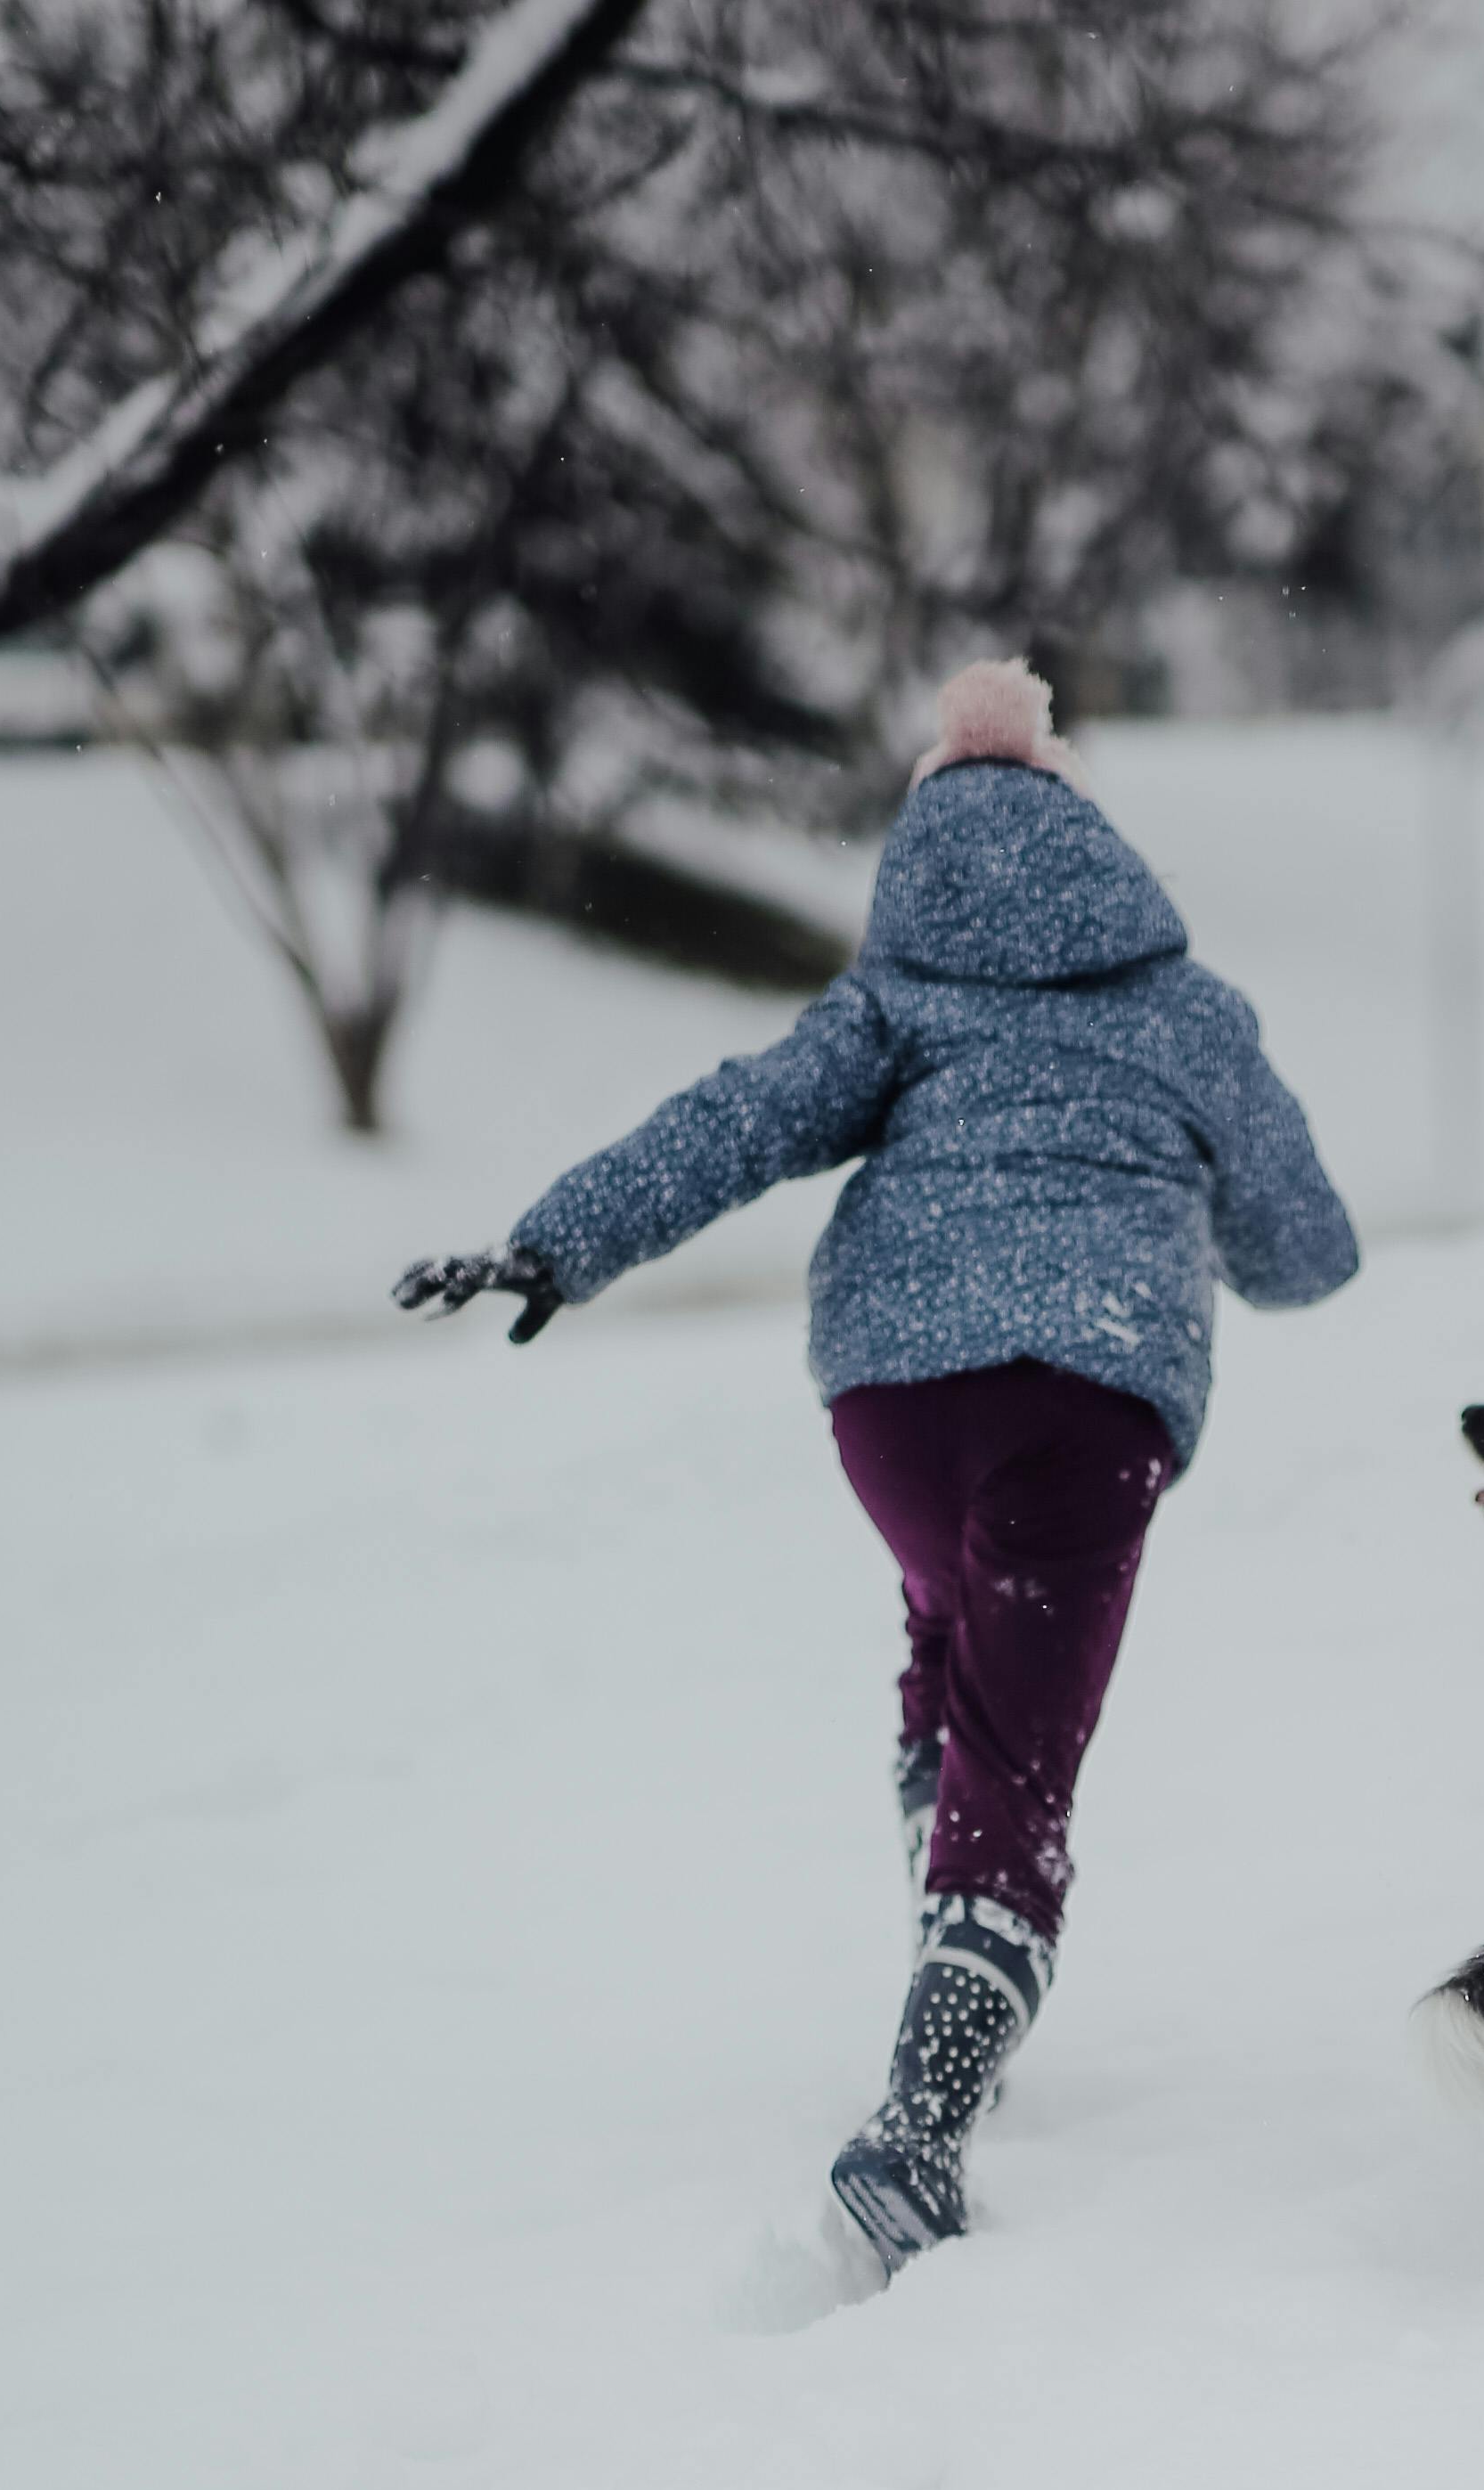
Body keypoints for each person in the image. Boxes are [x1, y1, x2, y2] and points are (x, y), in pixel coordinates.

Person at [395, 661, 1359, 2288]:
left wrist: (555, 1241)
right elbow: (1307, 1249)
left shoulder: (897, 998)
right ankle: (915, 2139)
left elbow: (741, 1121)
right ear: (1095, 844)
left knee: (956, 1597)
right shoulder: (1185, 1011)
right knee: (1020, 1773)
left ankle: (935, 1815)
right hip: (1087, 1389)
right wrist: (1209, 1206)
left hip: (895, 1398)